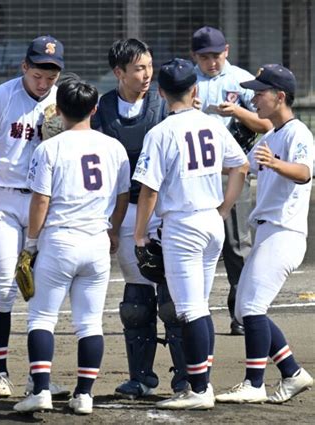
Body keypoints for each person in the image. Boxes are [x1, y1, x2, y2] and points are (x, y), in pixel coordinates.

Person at [133, 58, 249, 410]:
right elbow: (240, 166)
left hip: (183, 226)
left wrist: (139, 234)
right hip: (211, 223)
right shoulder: (212, 124)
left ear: (161, 92)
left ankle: (198, 390)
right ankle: (202, 382)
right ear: (194, 89)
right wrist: (225, 209)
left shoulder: (161, 132)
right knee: (200, 306)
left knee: (190, 309)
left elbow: (149, 190)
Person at [13, 76, 130, 415]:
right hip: (96, 242)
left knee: (41, 318)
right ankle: (85, 395)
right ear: (94, 108)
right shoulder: (114, 148)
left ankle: (41, 391)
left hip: (59, 242)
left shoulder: (49, 148)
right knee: (89, 323)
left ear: (58, 110)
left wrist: (31, 244)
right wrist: (113, 231)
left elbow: (40, 202)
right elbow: (123, 196)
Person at [0, 35, 69, 398]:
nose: (43, 82)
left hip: (45, 202)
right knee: (3, 287)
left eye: (51, 75)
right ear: (24, 66)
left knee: (41, 291)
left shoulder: (64, 102)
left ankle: (37, 377)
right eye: (38, 73)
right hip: (4, 199)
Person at [92, 39, 188, 397]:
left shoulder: (162, 103)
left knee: (171, 298)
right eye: (138, 68)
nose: (146, 74)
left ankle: (184, 377)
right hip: (125, 208)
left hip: (162, 207)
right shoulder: (102, 108)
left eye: (149, 66)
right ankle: (141, 377)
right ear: (119, 72)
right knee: (136, 302)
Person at [216, 64, 314, 404]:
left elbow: (303, 173)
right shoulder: (270, 136)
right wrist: (222, 205)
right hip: (268, 233)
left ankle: (254, 383)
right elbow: (240, 167)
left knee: (253, 308)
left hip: (284, 232)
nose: (254, 98)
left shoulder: (298, 133)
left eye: (260, 92)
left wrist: (275, 164)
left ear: (280, 96)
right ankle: (292, 372)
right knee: (245, 310)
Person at [191, 26, 273, 335]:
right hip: (197, 173)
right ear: (194, 56)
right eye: (204, 57)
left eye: (216, 55)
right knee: (194, 243)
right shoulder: (188, 81)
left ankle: (241, 313)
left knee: (238, 245)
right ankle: (192, 312)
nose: (211, 62)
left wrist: (238, 111)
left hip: (233, 172)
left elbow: (266, 124)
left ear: (226, 50)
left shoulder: (242, 80)